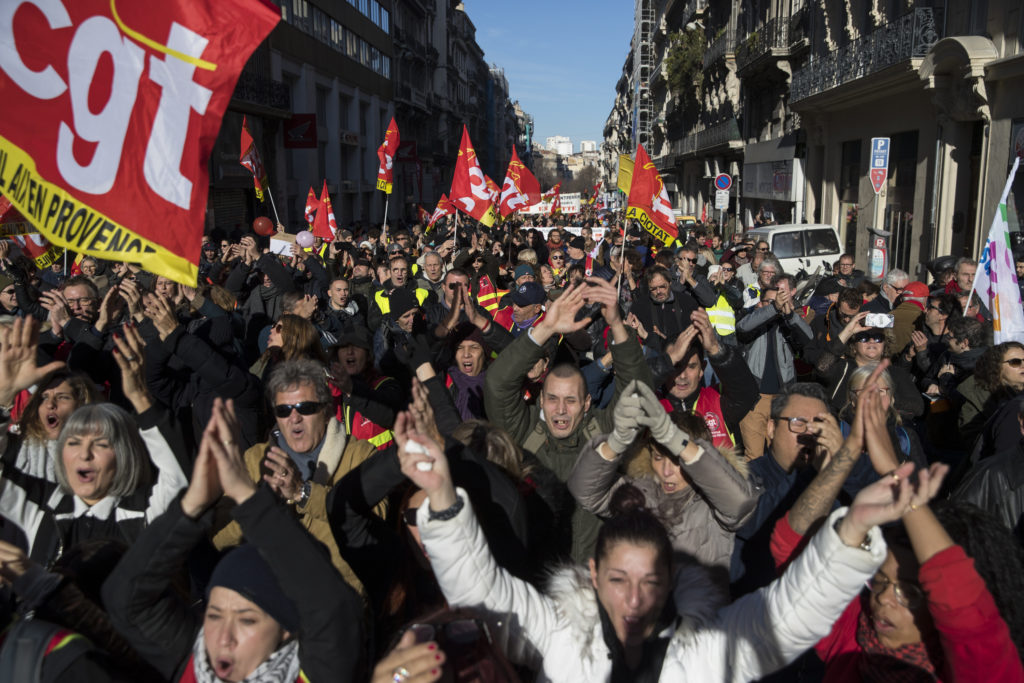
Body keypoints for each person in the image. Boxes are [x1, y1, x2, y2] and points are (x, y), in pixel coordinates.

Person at [396, 406, 894, 682]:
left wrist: (850, 535)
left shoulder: (704, 653)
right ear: (592, 575)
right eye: (618, 579)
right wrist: (441, 496)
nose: (634, 599)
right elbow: (483, 592)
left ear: (672, 581)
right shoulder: (559, 638)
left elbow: (786, 616)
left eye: (650, 581)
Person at [770, 378, 1024, 682]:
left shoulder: (981, 668)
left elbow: (963, 600)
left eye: (910, 591)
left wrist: (895, 476)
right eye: (878, 583)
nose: (884, 600)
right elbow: (791, 547)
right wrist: (845, 456)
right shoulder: (851, 638)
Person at [102, 398, 364, 683]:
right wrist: (193, 504)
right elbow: (125, 597)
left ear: (287, 629)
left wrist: (247, 497)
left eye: (247, 619)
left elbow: (336, 610)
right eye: (213, 616)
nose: (223, 638)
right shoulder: (194, 661)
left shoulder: (315, 672)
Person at [483, 279, 655, 563]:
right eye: (552, 399)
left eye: (571, 400)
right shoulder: (523, 432)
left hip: (592, 578)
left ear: (587, 403)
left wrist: (616, 324)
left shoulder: (604, 433)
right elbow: (498, 384)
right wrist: (546, 329)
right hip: (539, 580)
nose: (560, 410)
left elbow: (639, 394)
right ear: (541, 400)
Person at [0, 319, 188, 566]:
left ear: (122, 453)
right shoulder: (42, 506)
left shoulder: (139, 512)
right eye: (73, 444)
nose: (84, 455)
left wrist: (140, 396)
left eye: (99, 444)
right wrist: (3, 397)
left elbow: (178, 479)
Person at [212, 359, 377, 595]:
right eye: (284, 410)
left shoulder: (360, 455)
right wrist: (258, 505)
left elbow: (374, 521)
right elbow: (219, 541)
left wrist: (303, 492)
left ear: (327, 409)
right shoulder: (253, 460)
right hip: (270, 608)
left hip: (336, 603)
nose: (294, 417)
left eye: (306, 408)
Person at [568, 379, 757, 582]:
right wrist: (615, 442)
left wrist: (676, 441)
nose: (666, 471)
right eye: (658, 457)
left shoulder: (715, 501)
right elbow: (586, 492)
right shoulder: (641, 492)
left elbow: (739, 505)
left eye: (677, 461)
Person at [735, 277, 813, 459]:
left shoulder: (788, 324)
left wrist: (789, 315)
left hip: (781, 399)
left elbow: (807, 338)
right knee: (754, 456)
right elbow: (743, 328)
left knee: (779, 454)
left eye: (778, 301)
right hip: (755, 399)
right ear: (760, 303)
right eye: (769, 302)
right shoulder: (752, 320)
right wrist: (773, 308)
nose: (775, 305)